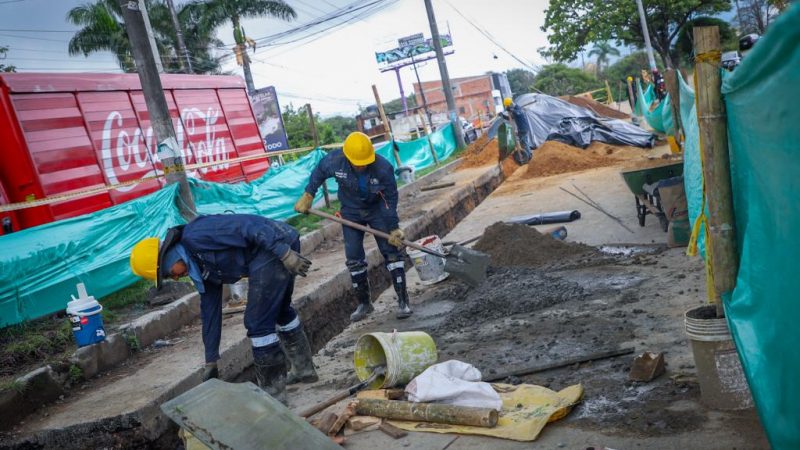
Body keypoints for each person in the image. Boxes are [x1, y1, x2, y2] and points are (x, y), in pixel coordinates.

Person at [129, 214, 315, 403]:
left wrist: (284, 252)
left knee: (258, 323)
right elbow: (210, 313)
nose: (175, 278)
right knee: (280, 310)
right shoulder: (199, 267)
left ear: (168, 258)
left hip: (273, 246)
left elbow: (249, 225)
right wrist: (211, 360)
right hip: (274, 247)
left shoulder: (196, 236)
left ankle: (274, 395)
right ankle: (304, 370)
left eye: (169, 274)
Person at [294, 131, 412, 322]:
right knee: (354, 257)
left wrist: (393, 227)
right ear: (348, 156)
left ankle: (403, 301)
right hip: (351, 211)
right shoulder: (334, 161)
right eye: (357, 162)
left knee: (392, 251)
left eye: (364, 161)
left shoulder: (382, 167)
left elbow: (390, 198)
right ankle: (364, 304)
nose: (361, 165)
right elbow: (318, 173)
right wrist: (309, 194)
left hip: (377, 210)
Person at [502, 97, 533, 164]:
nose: (507, 107)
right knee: (524, 143)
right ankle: (529, 155)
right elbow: (511, 117)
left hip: (523, 128)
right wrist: (503, 116)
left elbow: (518, 113)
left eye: (507, 105)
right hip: (521, 128)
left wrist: (511, 110)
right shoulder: (515, 109)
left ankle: (528, 157)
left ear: (510, 104)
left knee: (524, 143)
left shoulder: (517, 108)